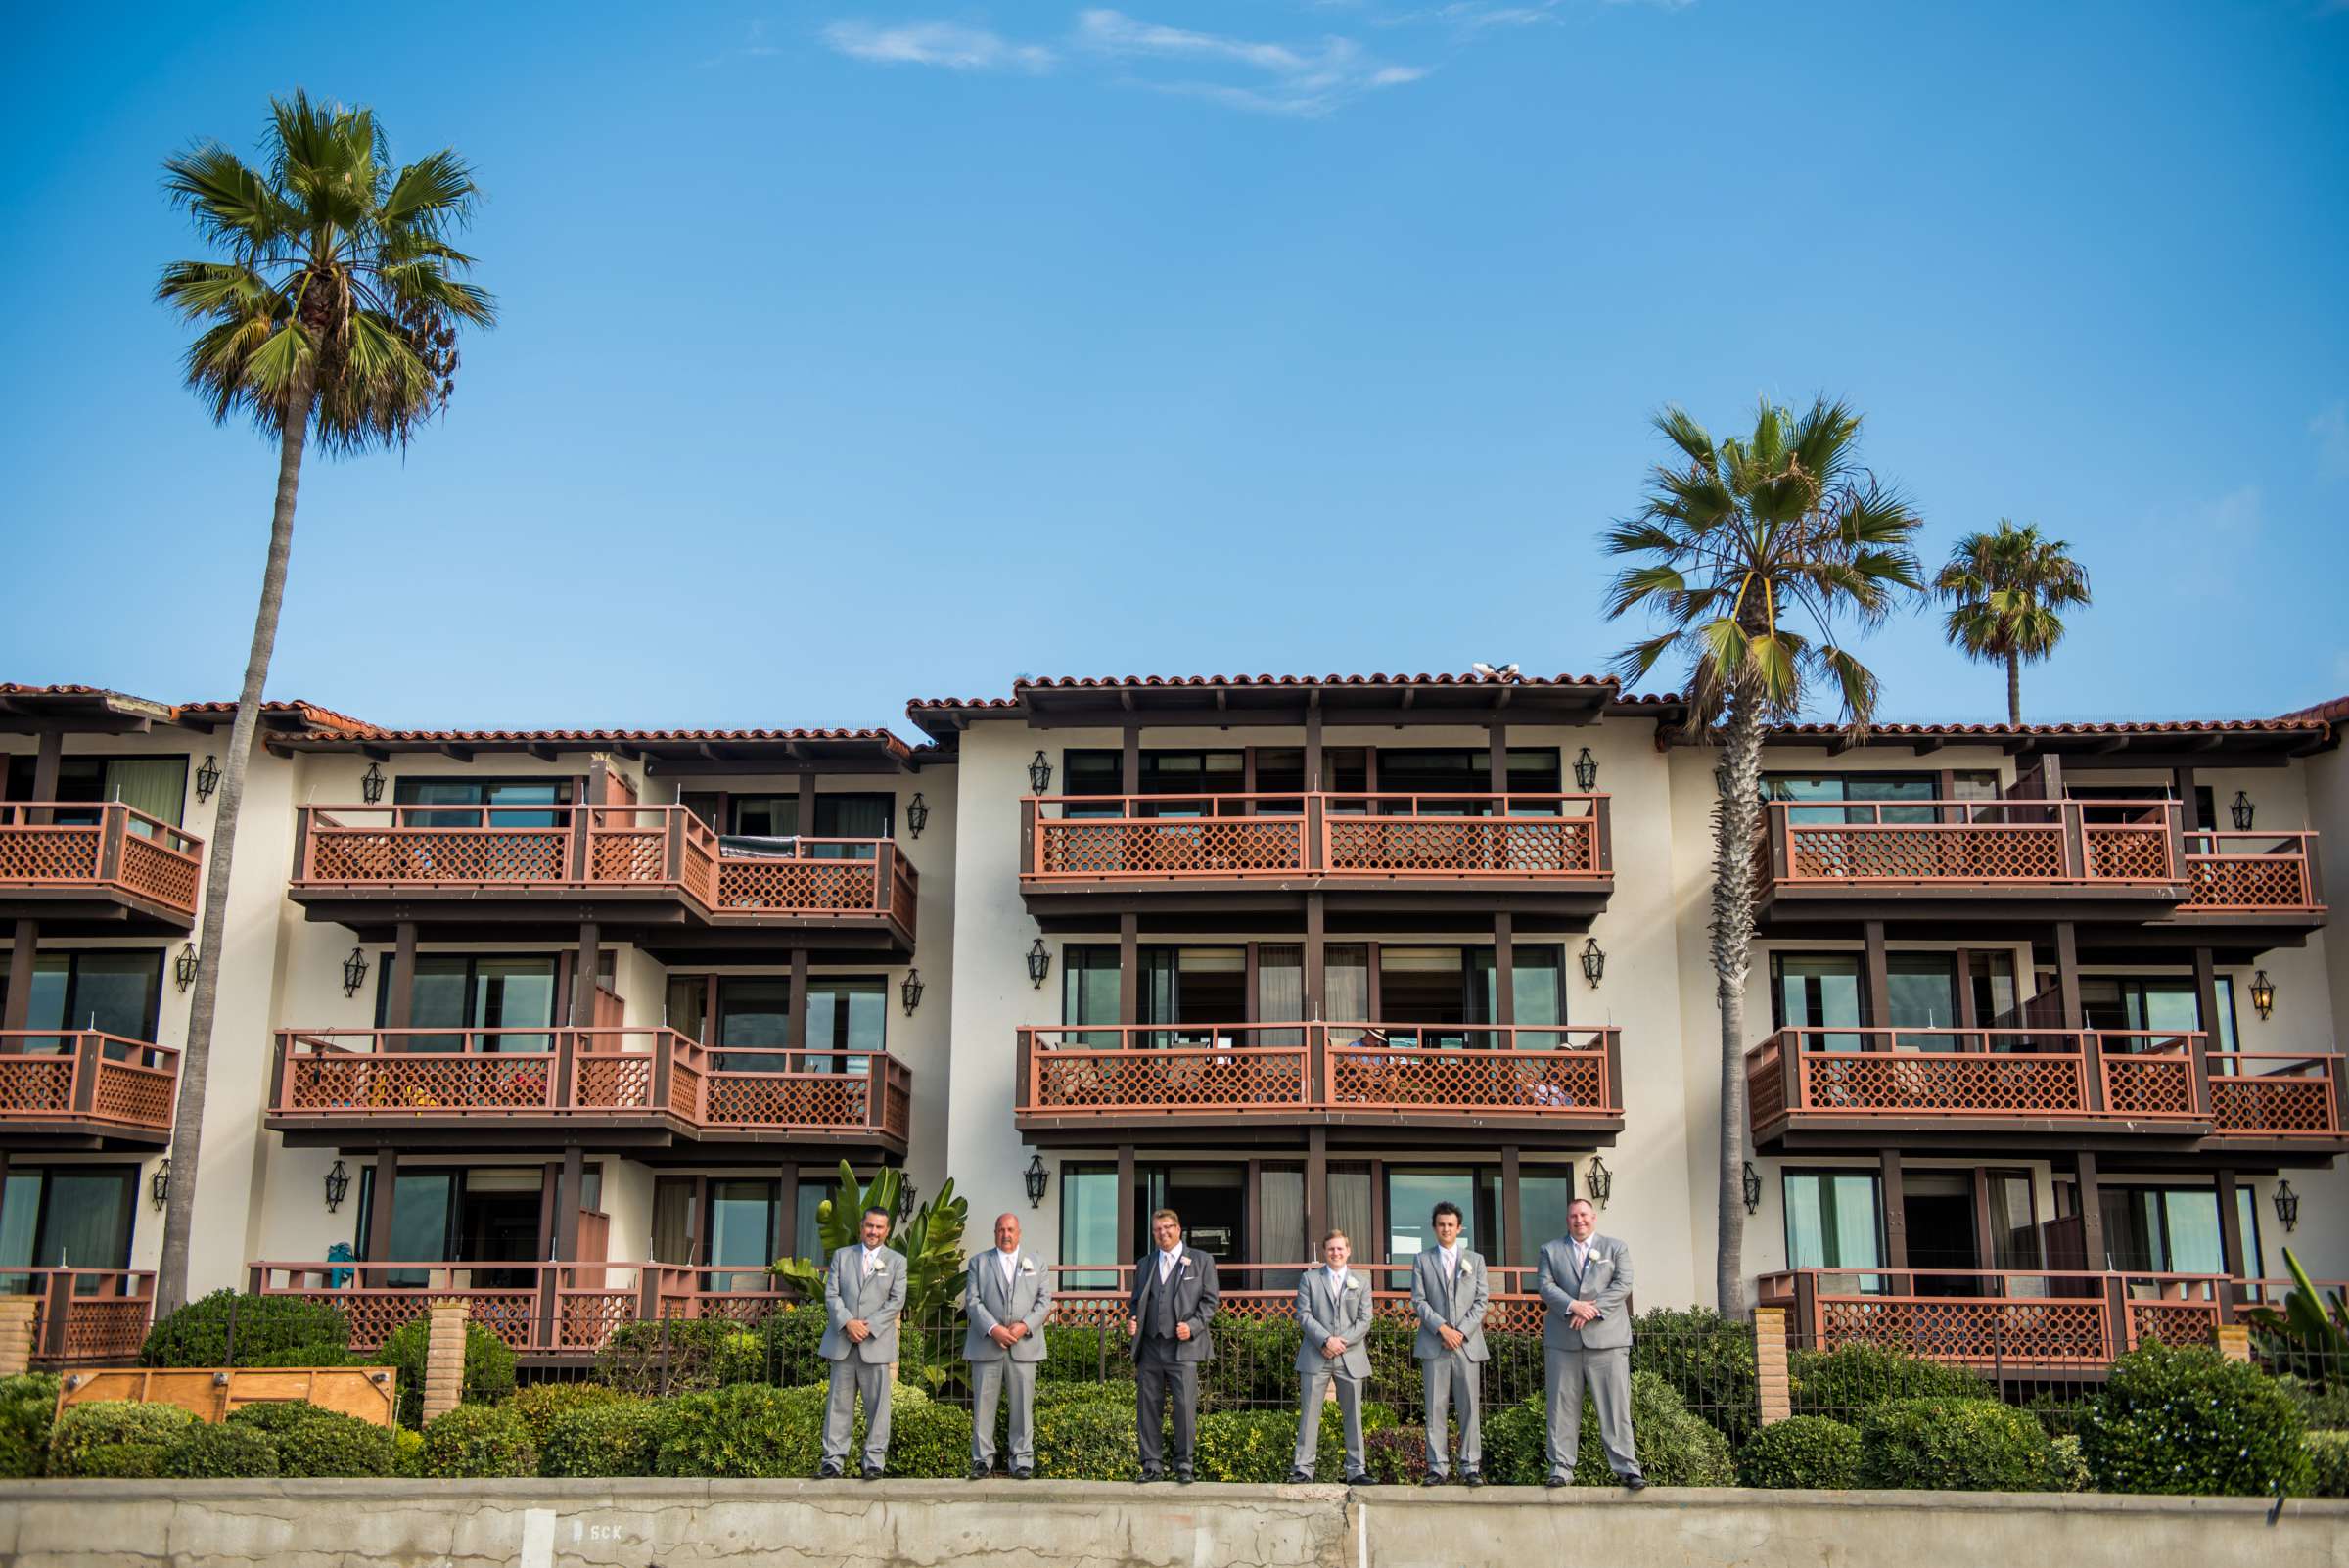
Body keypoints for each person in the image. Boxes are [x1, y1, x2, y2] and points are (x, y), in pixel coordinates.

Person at [1536, 1197, 1645, 1490]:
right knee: (1561, 1408)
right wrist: (1573, 1304)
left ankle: (1627, 1468)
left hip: (1607, 1341)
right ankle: (1561, 1469)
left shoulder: (1615, 1248)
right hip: (1563, 1342)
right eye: (1573, 1216)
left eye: (1583, 1215)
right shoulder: (1550, 1250)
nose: (1579, 1220)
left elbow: (1623, 1284)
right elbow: (1545, 1286)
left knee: (1615, 1407)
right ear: (1567, 1220)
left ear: (1593, 1217)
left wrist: (1591, 1309)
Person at [1127, 1207, 1219, 1483]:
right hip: (1151, 1347)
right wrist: (1132, 1322)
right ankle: (1151, 1465)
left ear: (1178, 1229)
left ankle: (1184, 1466)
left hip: (1183, 1347)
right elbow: (1136, 1303)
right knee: (1148, 1408)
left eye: (1167, 1227)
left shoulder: (1201, 1261)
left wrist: (1192, 1326)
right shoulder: (1144, 1264)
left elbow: (1210, 1301)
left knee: (1184, 1407)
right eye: (1157, 1229)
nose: (1162, 1233)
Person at [817, 1205, 906, 1480]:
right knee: (838, 1405)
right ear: (861, 1226)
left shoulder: (897, 1261)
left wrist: (868, 1327)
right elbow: (831, 1294)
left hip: (875, 1344)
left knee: (878, 1408)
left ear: (887, 1230)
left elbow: (896, 1301)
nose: (874, 1232)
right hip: (843, 1342)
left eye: (879, 1227)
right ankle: (833, 1460)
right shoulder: (842, 1257)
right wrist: (847, 1323)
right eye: (870, 1226)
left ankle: (874, 1462)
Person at [964, 1210, 1052, 1479]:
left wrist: (1024, 1325)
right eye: (1001, 1229)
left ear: (1019, 1233)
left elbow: (1044, 1301)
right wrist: (994, 1329)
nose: (1006, 1234)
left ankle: (1022, 1460)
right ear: (995, 1233)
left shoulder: (1036, 1263)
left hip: (1024, 1346)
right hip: (987, 1345)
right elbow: (972, 1301)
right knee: (983, 1406)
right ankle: (982, 1460)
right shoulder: (979, 1262)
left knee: (1022, 1407)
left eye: (1010, 1230)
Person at [1409, 1201, 1489, 1486]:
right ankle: (1437, 1466)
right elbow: (1418, 1300)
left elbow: (1481, 1302)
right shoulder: (1422, 1260)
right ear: (1434, 1228)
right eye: (1441, 1224)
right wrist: (1442, 1329)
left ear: (1459, 1228)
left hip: (1467, 1345)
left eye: (1450, 1225)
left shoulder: (1475, 1261)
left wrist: (1461, 1332)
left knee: (1469, 1407)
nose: (1446, 1229)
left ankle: (1470, 1467)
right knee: (1435, 1407)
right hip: (1435, 1344)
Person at [1290, 1228, 1373, 1485]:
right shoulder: (1309, 1279)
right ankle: (1303, 1469)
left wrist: (1340, 1343)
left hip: (1350, 1356)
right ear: (1325, 1252)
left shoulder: (1362, 1281)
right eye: (1331, 1249)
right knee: (1309, 1414)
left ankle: (1356, 1470)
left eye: (1340, 1248)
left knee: (1354, 1415)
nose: (1336, 1253)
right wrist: (1326, 1340)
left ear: (1348, 1251)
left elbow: (1365, 1319)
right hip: (1316, 1355)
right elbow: (1303, 1314)